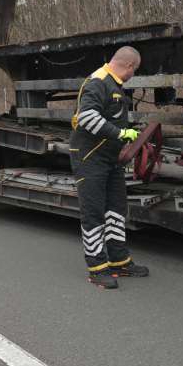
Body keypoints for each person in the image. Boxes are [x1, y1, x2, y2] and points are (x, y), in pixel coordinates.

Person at [70, 46, 150, 289]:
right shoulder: (98, 82)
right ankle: (97, 268)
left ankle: (119, 261)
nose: (133, 75)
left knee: (116, 209)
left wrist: (128, 134)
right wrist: (121, 133)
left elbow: (110, 117)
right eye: (134, 71)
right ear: (128, 66)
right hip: (89, 158)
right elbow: (86, 118)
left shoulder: (115, 85)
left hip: (111, 158)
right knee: (93, 212)